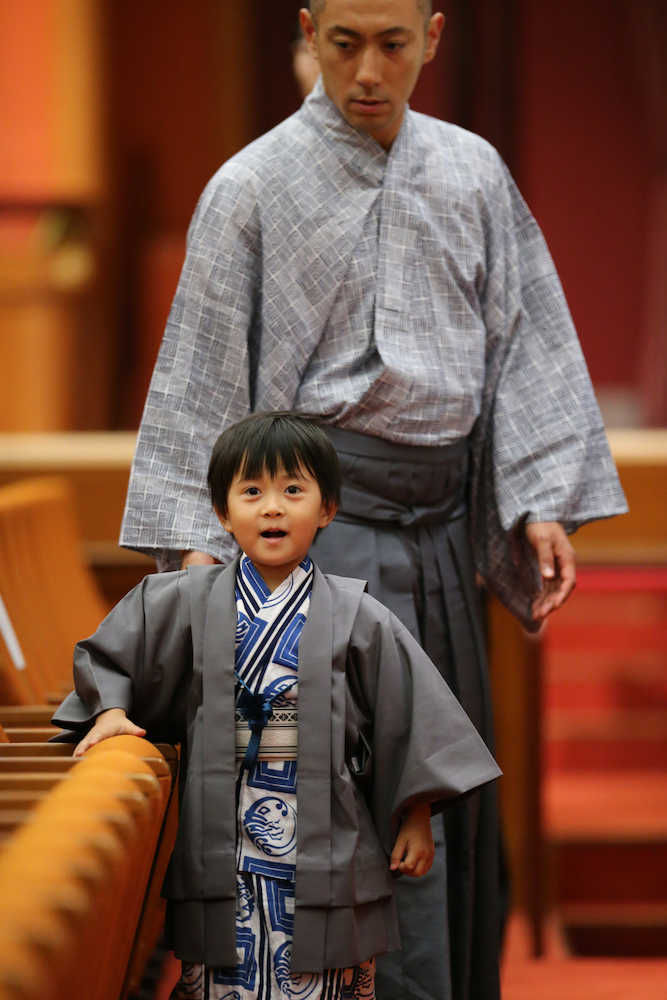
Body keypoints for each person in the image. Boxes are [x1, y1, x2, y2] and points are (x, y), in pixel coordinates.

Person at [119, 2, 628, 997]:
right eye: (342, 42)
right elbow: (202, 380)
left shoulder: (473, 172)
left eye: (391, 44)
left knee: (442, 812)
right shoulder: (252, 186)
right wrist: (195, 566)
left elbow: (522, 342)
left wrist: (536, 497)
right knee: (335, 823)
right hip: (311, 553)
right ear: (307, 31)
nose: (365, 69)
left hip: (439, 540)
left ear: (433, 36)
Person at [53, 412, 499, 1000]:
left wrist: (415, 814)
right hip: (224, 827)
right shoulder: (180, 601)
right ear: (221, 512)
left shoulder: (357, 613)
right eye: (252, 491)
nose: (272, 508)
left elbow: (411, 714)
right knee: (225, 971)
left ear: (327, 509)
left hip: (327, 836)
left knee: (324, 973)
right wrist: (111, 710)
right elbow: (110, 659)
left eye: (293, 490)